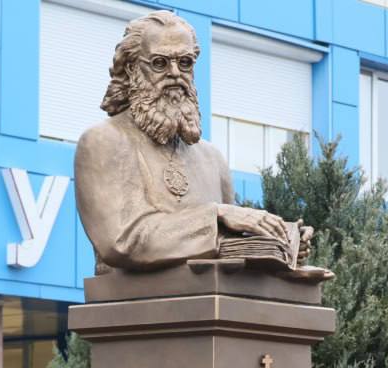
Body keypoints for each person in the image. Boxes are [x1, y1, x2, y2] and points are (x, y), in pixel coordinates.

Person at [74, 10, 313, 273]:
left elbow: (222, 246)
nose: (175, 73)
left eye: (185, 62)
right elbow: (121, 241)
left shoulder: (212, 158)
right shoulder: (103, 141)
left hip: (207, 301)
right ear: (131, 69)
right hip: (136, 305)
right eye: (159, 63)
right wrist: (218, 215)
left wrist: (275, 243)